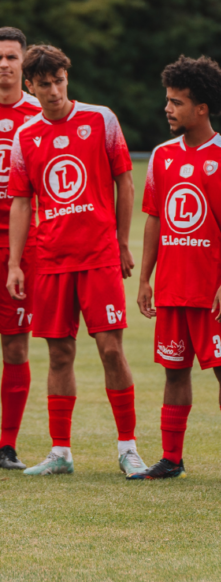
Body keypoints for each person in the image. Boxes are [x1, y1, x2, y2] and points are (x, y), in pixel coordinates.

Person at [6, 45, 145, 476]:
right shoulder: (25, 136)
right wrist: (15, 263)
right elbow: (21, 203)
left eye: (59, 81)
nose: (53, 91)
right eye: (43, 84)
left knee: (110, 350)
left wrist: (122, 242)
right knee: (59, 354)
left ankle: (127, 448)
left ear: (68, 77)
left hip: (99, 256)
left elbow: (125, 182)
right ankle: (60, 451)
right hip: (49, 260)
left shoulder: (100, 119)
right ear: (31, 86)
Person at [131, 56, 221, 483]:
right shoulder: (161, 157)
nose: (168, 109)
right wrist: (145, 278)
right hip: (172, 288)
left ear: (202, 108)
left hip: (211, 288)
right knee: (173, 369)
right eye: (168, 101)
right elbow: (155, 220)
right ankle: (171, 458)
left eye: (176, 102)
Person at [0, 27, 39, 471]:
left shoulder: (36, 117)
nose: (5, 64)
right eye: (1, 57)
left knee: (15, 345)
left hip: (22, 247)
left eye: (12, 57)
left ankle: (7, 444)